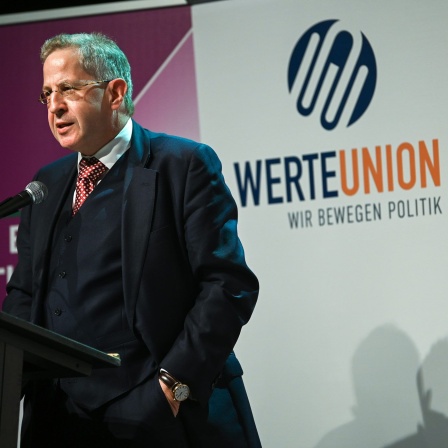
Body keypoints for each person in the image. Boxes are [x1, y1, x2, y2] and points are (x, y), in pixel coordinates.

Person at [2, 32, 260, 448]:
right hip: (61, 418)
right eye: (47, 93)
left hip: (156, 412)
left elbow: (227, 285)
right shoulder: (44, 185)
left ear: (115, 92)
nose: (55, 106)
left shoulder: (183, 165)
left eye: (68, 88)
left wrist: (170, 387)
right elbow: (24, 295)